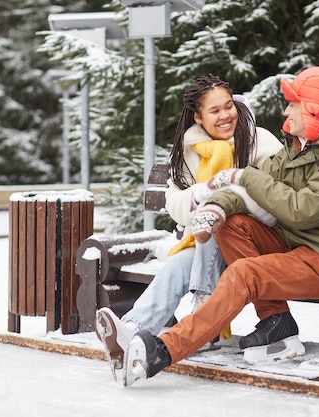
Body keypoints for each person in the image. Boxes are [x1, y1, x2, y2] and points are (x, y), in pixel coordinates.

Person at [120, 66, 319, 387]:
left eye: (293, 104)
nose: (286, 111)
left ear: (315, 111)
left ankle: (163, 349)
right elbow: (257, 188)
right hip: (298, 247)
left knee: (245, 274)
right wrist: (217, 207)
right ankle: (276, 320)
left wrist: (243, 175)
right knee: (232, 224)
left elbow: (302, 210)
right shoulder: (299, 144)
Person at [95, 74, 283, 380]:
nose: (225, 116)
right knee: (181, 262)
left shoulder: (260, 140)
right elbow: (175, 205)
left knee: (215, 215)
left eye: (228, 106)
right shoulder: (191, 150)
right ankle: (131, 330)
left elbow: (276, 197)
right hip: (208, 246)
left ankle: (202, 317)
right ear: (198, 116)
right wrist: (200, 193)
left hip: (253, 240)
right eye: (215, 111)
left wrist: (220, 197)